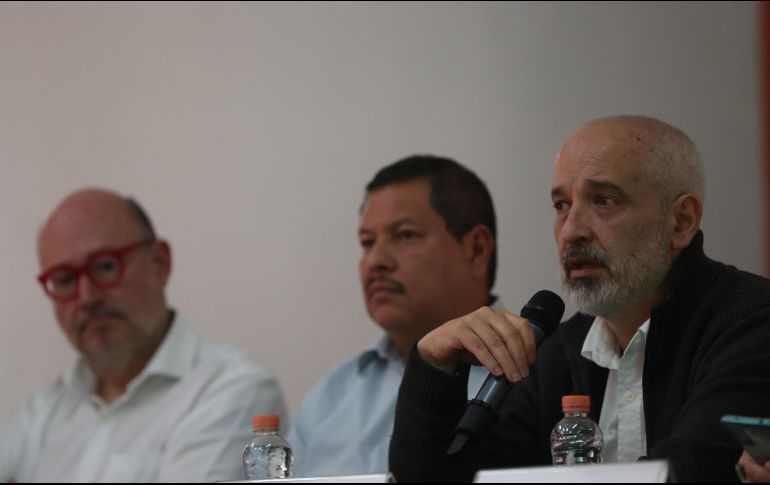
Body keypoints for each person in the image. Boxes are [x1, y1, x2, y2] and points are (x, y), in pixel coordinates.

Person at [389, 115, 770, 483]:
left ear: (681, 221)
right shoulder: (557, 353)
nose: (571, 231)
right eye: (561, 205)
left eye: (604, 200)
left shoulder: (753, 322)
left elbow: (693, 471)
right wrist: (434, 369)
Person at [0, 188, 287, 482]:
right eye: (64, 279)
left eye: (105, 266)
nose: (86, 296)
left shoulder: (232, 390)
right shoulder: (46, 409)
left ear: (160, 263)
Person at [286, 155, 500, 477]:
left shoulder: (532, 374)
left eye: (405, 235)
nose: (376, 261)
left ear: (476, 250)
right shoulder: (329, 399)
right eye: (366, 242)